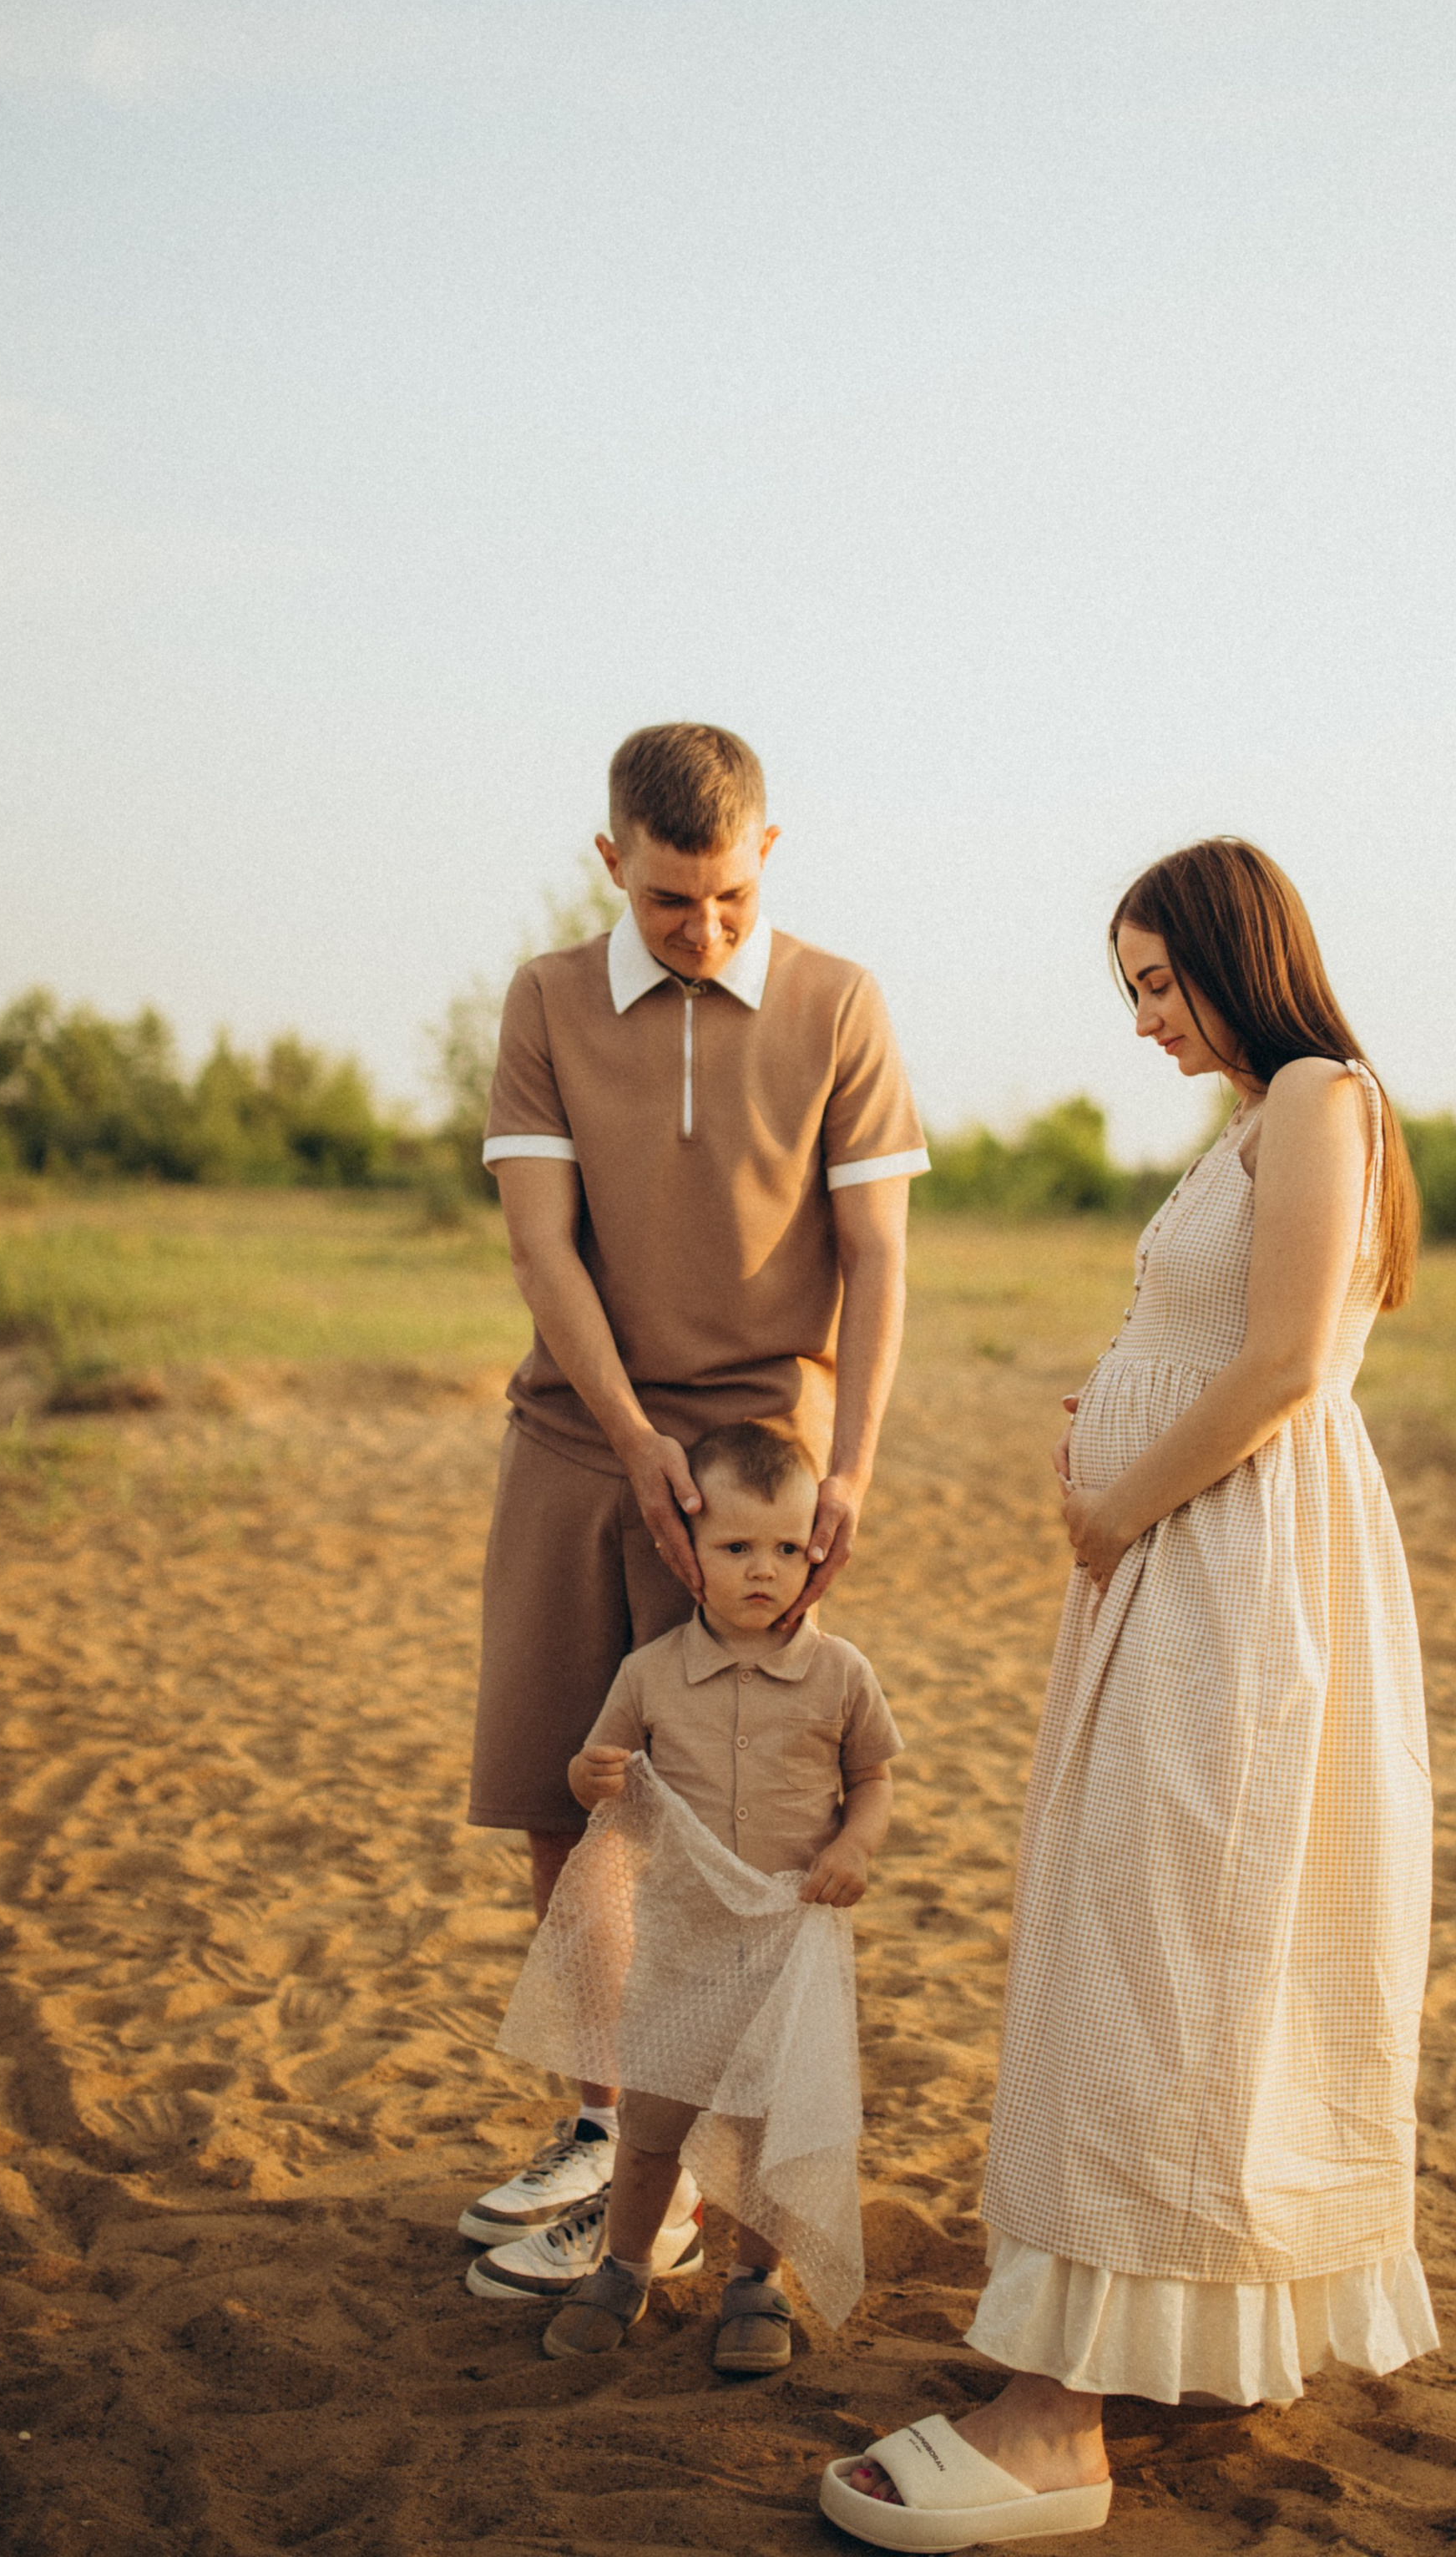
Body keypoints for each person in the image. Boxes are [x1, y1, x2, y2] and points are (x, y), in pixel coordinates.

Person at [823, 838, 1437, 2549]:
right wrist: (1107, 1431)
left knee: (1156, 1943)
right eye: (1130, 993)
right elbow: (1209, 1349)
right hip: (1179, 1568)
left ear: (1240, 957)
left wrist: (1115, 1490)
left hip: (1226, 1580)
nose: (1145, 1020)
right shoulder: (1253, 1119)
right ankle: (1132, 2339)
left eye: (1159, 984)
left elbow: (1286, 1364)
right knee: (1139, 1938)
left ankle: (1053, 2424)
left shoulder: (1319, 1094)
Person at [458, 722, 928, 2286]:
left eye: (728, 896)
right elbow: (542, 1249)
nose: (704, 928)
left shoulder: (840, 1004)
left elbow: (876, 1258)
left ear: (768, 858)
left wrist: (846, 1469)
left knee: (733, 1823)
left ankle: (704, 2170)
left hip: (756, 1471)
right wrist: (623, 1430)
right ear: (612, 865)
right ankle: (603, 2137)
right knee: (563, 1794)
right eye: (671, 901)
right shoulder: (542, 1002)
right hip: (579, 1443)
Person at [493, 1418, 900, 2371]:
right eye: (736, 1547)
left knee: (766, 2130)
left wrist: (855, 1843)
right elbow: (602, 1781)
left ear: (816, 1551)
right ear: (690, 1557)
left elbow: (875, 1779)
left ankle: (757, 2285)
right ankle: (623, 2268)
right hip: (680, 1946)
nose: (765, 1570)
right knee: (651, 2129)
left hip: (784, 1950)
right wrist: (591, 1775)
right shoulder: (650, 1674)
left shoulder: (839, 1675)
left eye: (787, 1549)